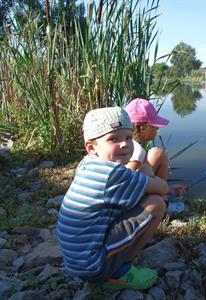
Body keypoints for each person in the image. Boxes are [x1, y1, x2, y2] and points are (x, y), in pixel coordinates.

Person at [56, 107, 169, 290]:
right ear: (92, 147)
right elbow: (162, 188)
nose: (124, 144)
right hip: (93, 266)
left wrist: (144, 178)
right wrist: (148, 174)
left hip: (76, 260)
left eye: (127, 137)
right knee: (156, 204)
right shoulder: (114, 174)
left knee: (145, 187)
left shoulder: (87, 163)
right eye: (113, 139)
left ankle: (115, 263)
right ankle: (119, 274)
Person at [124, 98, 170, 180]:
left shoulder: (121, 143)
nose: (157, 129)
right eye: (155, 126)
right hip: (129, 190)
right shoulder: (137, 150)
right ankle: (160, 189)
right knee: (158, 154)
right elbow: (125, 179)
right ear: (143, 128)